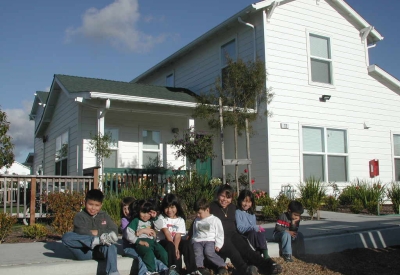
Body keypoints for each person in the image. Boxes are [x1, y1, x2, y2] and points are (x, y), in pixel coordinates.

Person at [209, 184, 282, 275]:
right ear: (217, 195)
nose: (224, 200)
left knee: (247, 249)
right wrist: (190, 234)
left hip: (233, 235)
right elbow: (199, 220)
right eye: (222, 196)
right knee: (234, 252)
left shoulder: (232, 208)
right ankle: (245, 270)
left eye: (228, 197)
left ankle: (268, 266)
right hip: (220, 237)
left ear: (231, 199)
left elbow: (242, 216)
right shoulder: (211, 207)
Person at [62, 189, 120, 275]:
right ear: (85, 202)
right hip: (85, 251)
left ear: (101, 205)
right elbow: (81, 231)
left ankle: (113, 272)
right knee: (67, 237)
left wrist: (97, 232)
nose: (93, 208)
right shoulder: (80, 216)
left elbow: (114, 230)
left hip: (100, 250)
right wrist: (100, 237)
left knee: (112, 247)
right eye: (90, 204)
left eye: (97, 205)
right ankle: (96, 241)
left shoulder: (104, 215)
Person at [120, 197, 168, 275]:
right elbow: (128, 233)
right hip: (138, 244)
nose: (145, 215)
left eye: (148, 213)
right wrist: (139, 238)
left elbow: (159, 226)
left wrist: (155, 217)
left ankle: (166, 268)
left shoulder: (151, 220)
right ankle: (151, 271)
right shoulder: (135, 221)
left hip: (151, 242)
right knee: (147, 255)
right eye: (143, 212)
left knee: (162, 252)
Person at [156, 193, 198, 274]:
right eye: (167, 207)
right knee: (170, 245)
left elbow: (178, 236)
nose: (169, 210)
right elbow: (166, 233)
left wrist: (176, 248)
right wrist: (175, 249)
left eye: (172, 207)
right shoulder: (161, 218)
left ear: (177, 207)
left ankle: (192, 270)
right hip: (164, 242)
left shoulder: (180, 220)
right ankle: (174, 270)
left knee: (186, 244)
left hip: (175, 241)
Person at [190, 197, 228, 275]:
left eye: (200, 213)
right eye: (197, 213)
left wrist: (218, 244)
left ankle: (222, 264)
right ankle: (200, 268)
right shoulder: (197, 220)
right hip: (198, 241)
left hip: (209, 240)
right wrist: (193, 240)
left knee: (209, 252)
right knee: (198, 253)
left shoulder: (215, 220)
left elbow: (220, 233)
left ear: (207, 210)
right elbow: (195, 231)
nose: (198, 215)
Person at [236, 190, 270, 259]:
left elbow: (254, 227)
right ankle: (254, 254)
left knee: (260, 234)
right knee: (253, 232)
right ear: (240, 200)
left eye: (249, 202)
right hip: (244, 236)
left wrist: (257, 230)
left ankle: (265, 255)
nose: (246, 204)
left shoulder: (252, 214)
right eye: (244, 201)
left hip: (252, 236)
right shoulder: (238, 212)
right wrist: (254, 228)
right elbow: (240, 228)